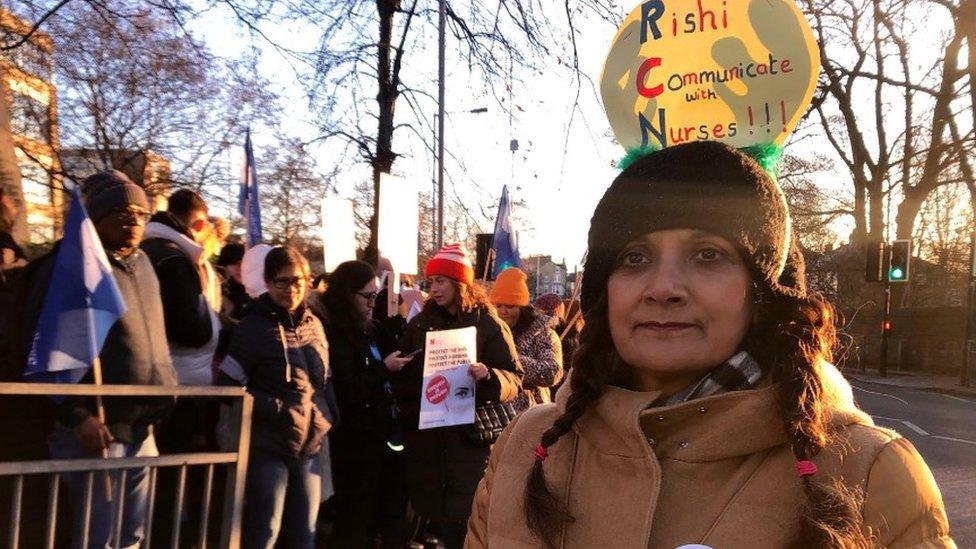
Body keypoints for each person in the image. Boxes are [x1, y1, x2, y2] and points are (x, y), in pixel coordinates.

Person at [465, 141, 953, 548]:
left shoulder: (869, 474)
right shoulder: (525, 447)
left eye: (707, 255)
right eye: (635, 258)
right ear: (603, 291)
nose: (663, 287)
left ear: (763, 293)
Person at [21, 171, 177, 548]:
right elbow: (42, 350)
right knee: (97, 537)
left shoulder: (144, 265)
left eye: (141, 213)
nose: (134, 221)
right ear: (96, 217)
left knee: (132, 536)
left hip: (143, 425)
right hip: (97, 427)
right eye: (122, 211)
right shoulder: (69, 270)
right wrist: (76, 415)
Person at [392, 243, 523, 549]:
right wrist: (398, 369)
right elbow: (405, 378)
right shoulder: (420, 324)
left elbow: (515, 378)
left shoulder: (489, 325)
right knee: (432, 521)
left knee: (466, 526)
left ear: (459, 283)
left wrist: (489, 375)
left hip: (470, 441)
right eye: (430, 282)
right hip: (429, 443)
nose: (433, 289)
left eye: (441, 281)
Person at [218, 245, 337, 549]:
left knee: (304, 535)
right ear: (268, 283)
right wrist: (276, 408)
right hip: (268, 447)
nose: (291, 288)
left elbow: (325, 380)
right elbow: (228, 385)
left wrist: (328, 415)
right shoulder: (252, 327)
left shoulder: (314, 324)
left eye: (298, 280)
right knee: (264, 532)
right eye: (282, 281)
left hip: (309, 448)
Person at [319, 260, 409, 548]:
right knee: (355, 516)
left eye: (376, 295)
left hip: (386, 433)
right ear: (347, 294)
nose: (373, 303)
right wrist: (384, 369)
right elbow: (347, 390)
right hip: (355, 440)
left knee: (390, 512)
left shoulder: (375, 330)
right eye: (367, 296)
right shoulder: (334, 334)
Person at [491, 268, 563, 412]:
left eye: (510, 306)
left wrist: (513, 360)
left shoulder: (543, 333)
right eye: (498, 305)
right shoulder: (490, 331)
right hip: (497, 417)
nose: (502, 311)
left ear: (522, 308)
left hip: (530, 416)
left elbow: (552, 373)